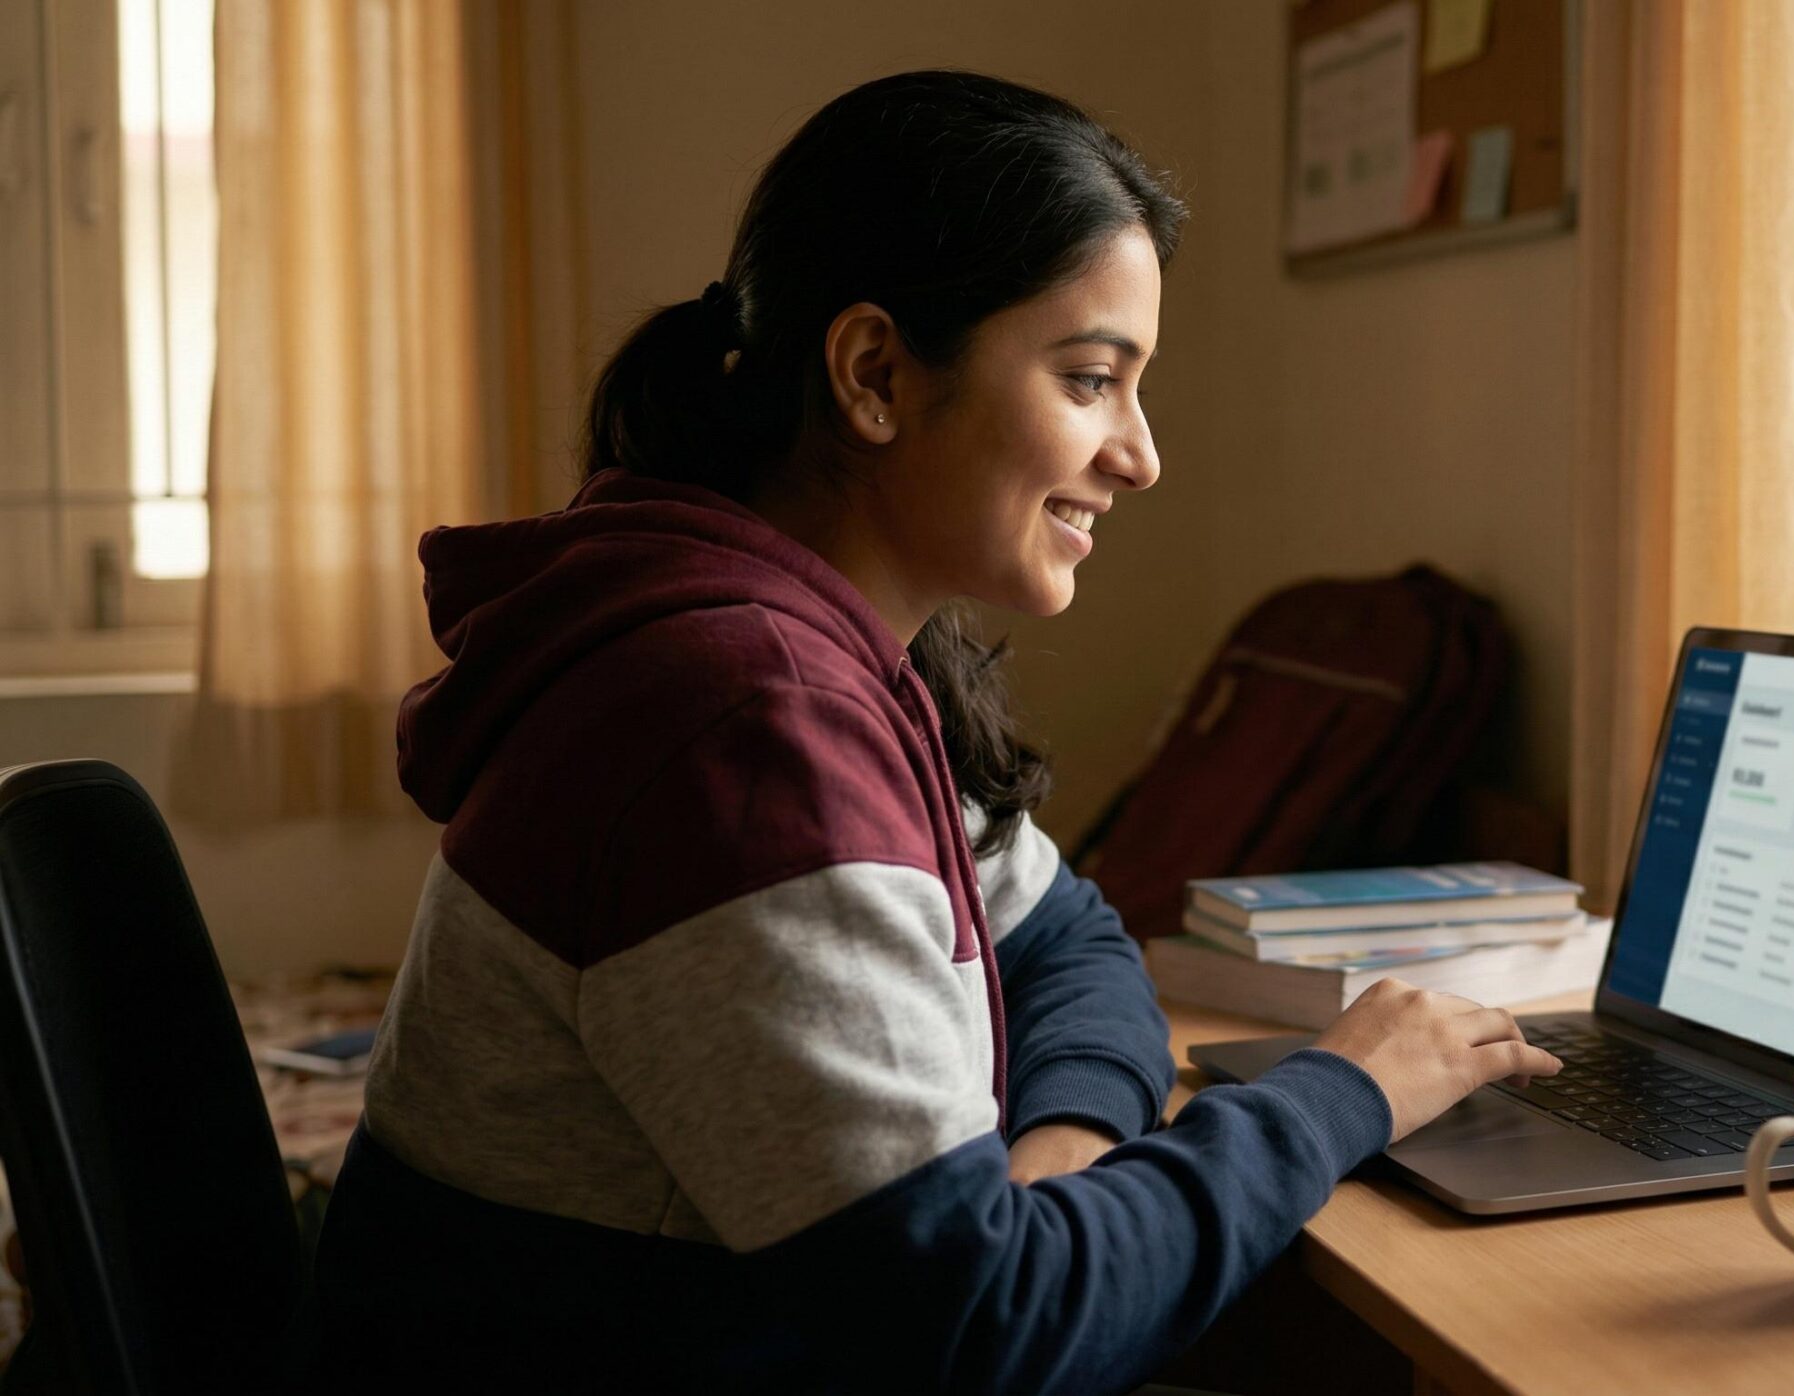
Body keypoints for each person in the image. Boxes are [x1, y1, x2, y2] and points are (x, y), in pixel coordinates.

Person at [313, 70, 1561, 1392]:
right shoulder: (740, 726)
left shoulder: (819, 654)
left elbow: (1069, 939)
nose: (1140, 453)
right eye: (1091, 380)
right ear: (872, 375)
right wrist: (1344, 1095)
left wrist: (1060, 1163)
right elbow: (988, 1336)